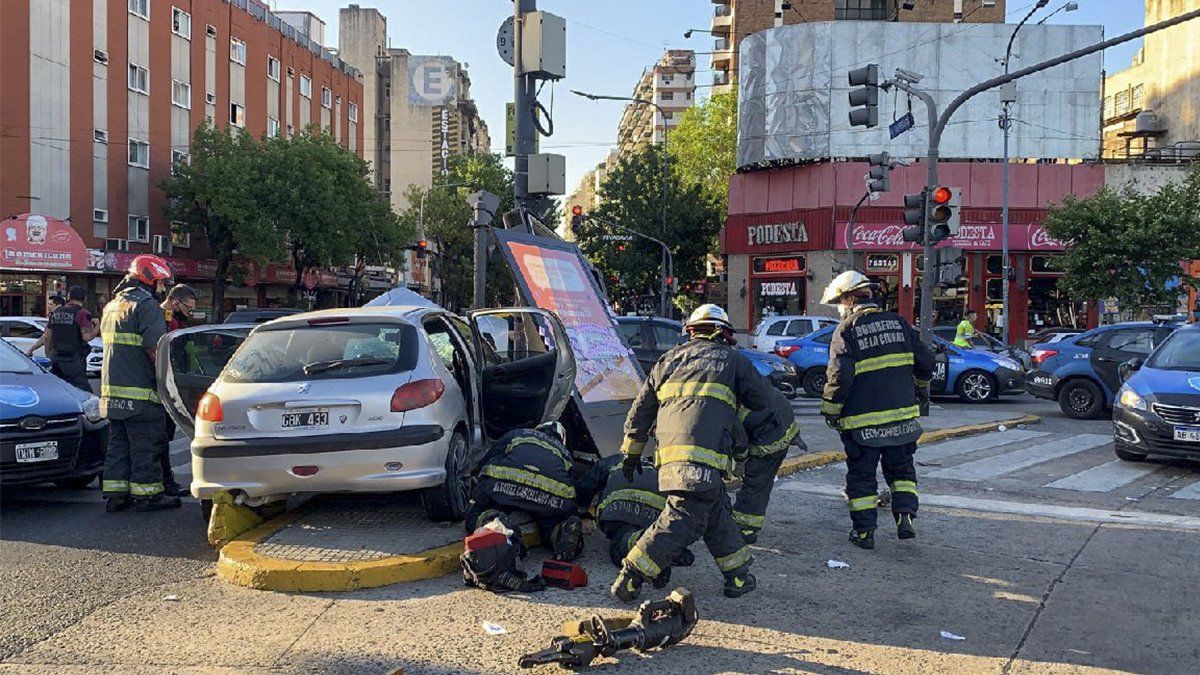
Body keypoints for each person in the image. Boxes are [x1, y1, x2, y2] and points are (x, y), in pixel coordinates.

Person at [612, 304, 775, 602]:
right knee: (682, 517)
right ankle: (632, 575)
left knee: (715, 512)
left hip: (671, 458)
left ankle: (738, 576)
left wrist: (631, 454)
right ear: (723, 333)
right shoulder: (734, 361)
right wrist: (735, 422)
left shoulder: (668, 360)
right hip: (704, 457)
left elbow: (641, 410)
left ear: (690, 331)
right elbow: (764, 400)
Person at [819, 270, 935, 549]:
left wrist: (831, 411)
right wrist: (919, 390)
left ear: (848, 299)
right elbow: (926, 362)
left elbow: (840, 377)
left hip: (862, 424)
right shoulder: (899, 323)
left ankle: (864, 533)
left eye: (838, 302)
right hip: (903, 419)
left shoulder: (846, 330)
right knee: (902, 470)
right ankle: (905, 515)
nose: (839, 309)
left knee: (862, 477)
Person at [99, 255, 178, 513]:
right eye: (161, 283)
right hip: (140, 394)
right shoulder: (146, 306)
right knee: (146, 445)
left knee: (118, 445)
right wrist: (170, 380)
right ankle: (148, 496)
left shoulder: (112, 305)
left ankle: (116, 495)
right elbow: (155, 349)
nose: (163, 289)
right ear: (149, 279)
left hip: (112, 395)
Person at [464, 421, 584, 563]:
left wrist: (479, 487)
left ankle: (497, 523)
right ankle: (560, 532)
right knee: (549, 524)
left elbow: (489, 457)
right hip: (548, 496)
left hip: (505, 487)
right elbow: (570, 488)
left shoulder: (518, 434)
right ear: (561, 438)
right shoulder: (564, 453)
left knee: (476, 515)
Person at [576, 454, 695, 580]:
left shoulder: (613, 460)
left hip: (619, 509)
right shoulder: (659, 468)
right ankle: (665, 547)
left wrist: (580, 507)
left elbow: (584, 488)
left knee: (618, 551)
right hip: (655, 515)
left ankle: (640, 540)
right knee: (657, 530)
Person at [732, 386, 803, 544]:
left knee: (755, 483)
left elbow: (739, 440)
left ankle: (745, 528)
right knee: (760, 483)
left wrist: (740, 460)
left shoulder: (724, 405)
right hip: (782, 422)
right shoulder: (738, 377)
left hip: (769, 436)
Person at [157, 284, 197, 497]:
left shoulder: (173, 321)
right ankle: (164, 482)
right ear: (175, 302)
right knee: (161, 438)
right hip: (163, 388)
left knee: (164, 437)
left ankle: (165, 480)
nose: (189, 313)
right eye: (188, 308)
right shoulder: (164, 321)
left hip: (172, 384)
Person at [40, 286, 98, 391]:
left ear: (68, 297)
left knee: (59, 389)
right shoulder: (82, 313)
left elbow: (47, 336)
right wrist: (97, 326)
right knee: (84, 392)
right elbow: (87, 337)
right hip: (74, 360)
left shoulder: (56, 313)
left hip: (56, 358)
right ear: (84, 298)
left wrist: (49, 354)